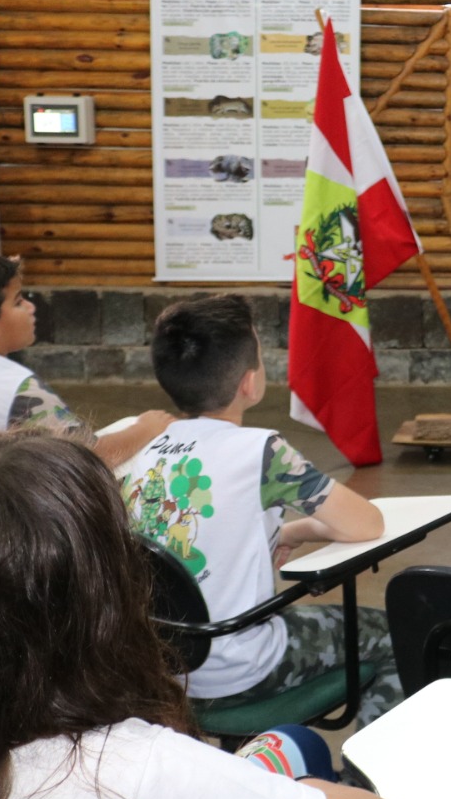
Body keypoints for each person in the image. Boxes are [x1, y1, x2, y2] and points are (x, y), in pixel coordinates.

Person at [0, 430, 405, 799]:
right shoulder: (145, 768)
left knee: (293, 741)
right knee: (308, 745)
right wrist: (250, 789)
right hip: (245, 694)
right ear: (109, 589)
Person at [120, 294, 399, 726]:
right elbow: (366, 523)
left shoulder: (137, 451)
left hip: (159, 670)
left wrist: (288, 533)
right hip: (240, 667)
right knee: (401, 635)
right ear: (250, 383)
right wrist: (307, 528)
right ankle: (361, 786)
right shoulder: (264, 453)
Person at [0, 253, 170, 466]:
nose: (31, 308)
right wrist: (146, 429)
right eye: (19, 301)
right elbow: (85, 457)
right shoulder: (14, 386)